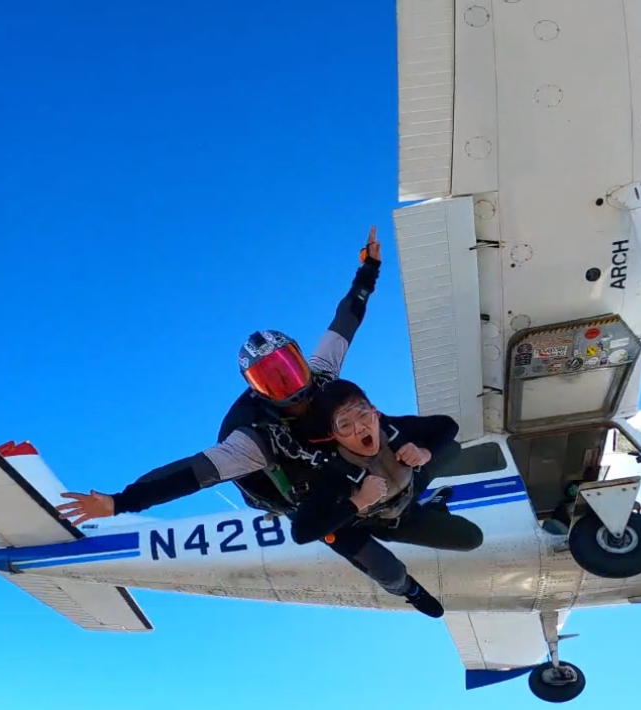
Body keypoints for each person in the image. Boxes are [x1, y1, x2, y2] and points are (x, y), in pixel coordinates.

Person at [56, 228, 383, 525]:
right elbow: (185, 475)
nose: (289, 385)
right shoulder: (251, 440)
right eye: (273, 380)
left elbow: (345, 321)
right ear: (259, 391)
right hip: (283, 487)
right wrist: (119, 502)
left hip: (322, 449)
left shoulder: (321, 372)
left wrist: (368, 270)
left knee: (359, 416)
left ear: (302, 360)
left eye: (289, 368)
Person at [286, 378, 486, 617]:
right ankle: (410, 591)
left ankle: (429, 506)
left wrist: (423, 453)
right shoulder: (333, 474)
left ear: (375, 412)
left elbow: (447, 425)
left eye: (363, 415)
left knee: (453, 454)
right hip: (375, 522)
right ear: (334, 436)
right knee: (390, 571)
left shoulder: (392, 430)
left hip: (407, 495)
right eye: (345, 425)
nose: (360, 428)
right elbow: (301, 532)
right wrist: (358, 501)